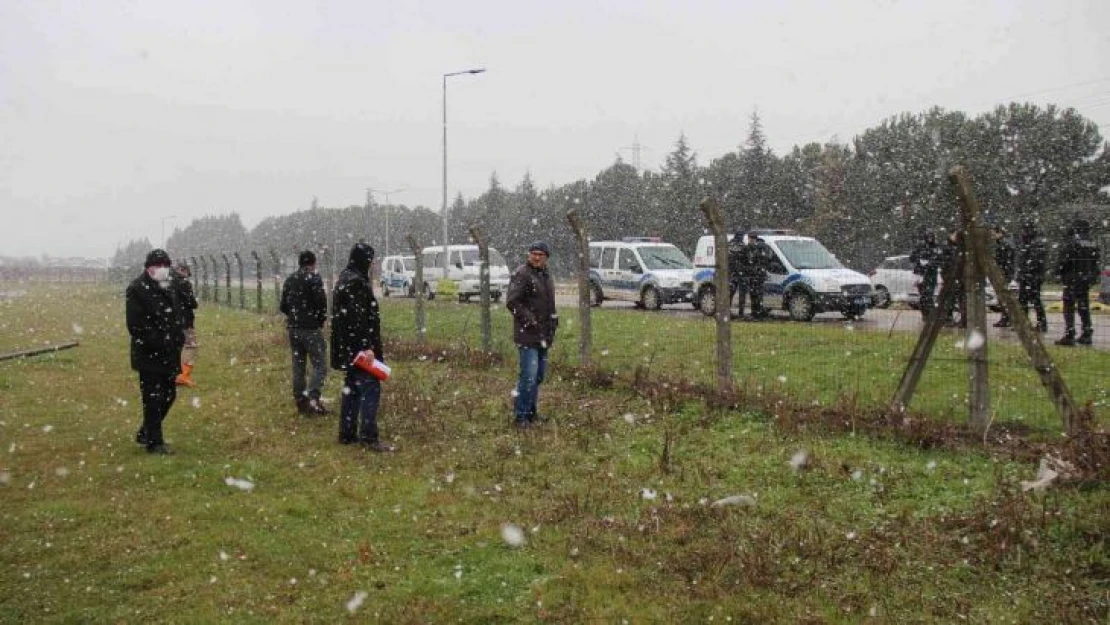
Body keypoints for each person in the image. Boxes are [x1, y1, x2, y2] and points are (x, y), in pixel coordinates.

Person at [330, 243, 390, 451]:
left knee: (352, 387)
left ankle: (347, 433)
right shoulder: (356, 282)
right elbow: (358, 319)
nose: (373, 264)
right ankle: (368, 436)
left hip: (348, 347)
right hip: (359, 347)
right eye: (371, 260)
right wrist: (366, 347)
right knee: (370, 387)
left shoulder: (345, 278)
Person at [126, 249, 185, 455]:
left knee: (169, 395)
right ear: (148, 268)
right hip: (149, 354)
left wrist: (178, 336)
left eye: (164, 266)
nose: (161, 270)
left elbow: (176, 311)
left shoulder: (169, 285)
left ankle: (146, 431)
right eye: (157, 266)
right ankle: (155, 442)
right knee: (152, 397)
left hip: (170, 352)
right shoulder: (136, 289)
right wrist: (160, 340)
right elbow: (136, 325)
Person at [506, 241, 558, 428]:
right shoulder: (522, 274)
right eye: (533, 253)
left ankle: (531, 412)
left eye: (540, 254)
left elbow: (550, 303)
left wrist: (553, 322)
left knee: (538, 376)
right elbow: (513, 302)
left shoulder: (546, 275)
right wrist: (530, 321)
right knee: (528, 376)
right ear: (529, 255)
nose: (536, 257)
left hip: (543, 335)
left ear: (546, 258)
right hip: (527, 334)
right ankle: (521, 416)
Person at [280, 250, 330, 414]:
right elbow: (321, 303)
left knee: (298, 365)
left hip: (293, 328)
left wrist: (294, 317)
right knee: (320, 364)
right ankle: (314, 398)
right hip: (310, 328)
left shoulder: (290, 280)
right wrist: (319, 320)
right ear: (313, 263)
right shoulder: (313, 279)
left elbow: (283, 305)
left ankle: (300, 399)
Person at [1054, 219, 1101, 346]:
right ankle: (1087, 332)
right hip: (1086, 278)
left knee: (1068, 305)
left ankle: (1070, 333)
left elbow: (1064, 260)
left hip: (1072, 277)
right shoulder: (1092, 242)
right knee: (1083, 306)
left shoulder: (1072, 242)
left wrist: (1057, 271)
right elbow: (1096, 261)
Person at [1016, 219, 1048, 333]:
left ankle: (1039, 323)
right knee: (1027, 300)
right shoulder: (1030, 243)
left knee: (1033, 300)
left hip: (1032, 277)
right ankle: (1027, 323)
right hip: (1030, 276)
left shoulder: (1035, 244)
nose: (1022, 233)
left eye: (1024, 230)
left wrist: (1025, 273)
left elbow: (1034, 262)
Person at [172, 261, 199, 387]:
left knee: (175, 347)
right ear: (183, 270)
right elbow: (192, 303)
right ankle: (183, 375)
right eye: (187, 273)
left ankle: (172, 374)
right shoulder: (183, 283)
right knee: (190, 346)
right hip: (184, 320)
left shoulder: (166, 282)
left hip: (170, 319)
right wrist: (194, 302)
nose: (187, 276)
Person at [909, 229, 942, 319]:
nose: (930, 239)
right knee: (923, 296)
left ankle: (930, 314)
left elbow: (939, 259)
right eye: (928, 237)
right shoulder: (920, 246)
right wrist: (920, 260)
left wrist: (930, 263)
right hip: (920, 274)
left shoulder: (936, 247)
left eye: (931, 237)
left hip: (931, 274)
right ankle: (925, 314)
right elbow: (912, 258)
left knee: (928, 295)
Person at [738, 234, 770, 320]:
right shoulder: (746, 249)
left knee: (758, 295)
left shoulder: (759, 249)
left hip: (757, 276)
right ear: (748, 239)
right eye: (750, 239)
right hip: (751, 275)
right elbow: (743, 261)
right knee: (753, 295)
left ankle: (757, 312)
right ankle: (753, 312)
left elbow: (764, 260)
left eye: (753, 239)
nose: (751, 241)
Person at [990, 223, 1016, 328]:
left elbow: (1006, 261)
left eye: (993, 233)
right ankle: (1005, 318)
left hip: (1004, 273)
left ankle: (1006, 318)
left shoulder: (1005, 245)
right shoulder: (1004, 244)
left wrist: (1003, 272)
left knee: (1003, 297)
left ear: (999, 233)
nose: (991, 236)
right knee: (1002, 297)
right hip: (1004, 273)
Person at [726, 229, 746, 318]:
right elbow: (746, 258)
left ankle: (727, 311)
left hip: (730, 273)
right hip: (740, 272)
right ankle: (741, 313)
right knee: (742, 293)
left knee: (730, 294)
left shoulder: (729, 244)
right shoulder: (742, 246)